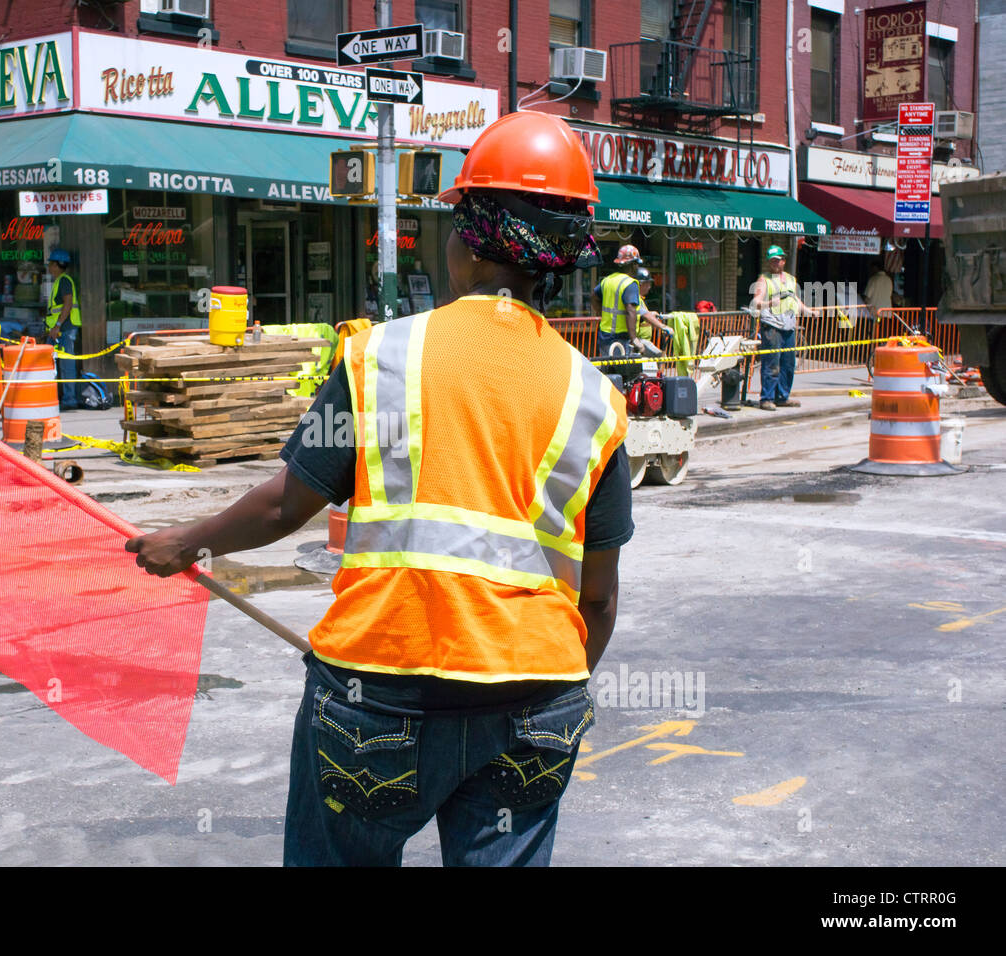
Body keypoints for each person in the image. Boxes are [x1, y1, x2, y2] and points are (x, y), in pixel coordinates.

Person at [127, 110, 633, 867]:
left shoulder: (382, 357)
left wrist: (184, 541)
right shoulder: (596, 399)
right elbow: (597, 599)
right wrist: (540, 692)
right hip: (534, 698)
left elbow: (284, 504)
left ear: (466, 243)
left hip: (380, 691)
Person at [750, 245, 816, 411]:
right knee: (772, 364)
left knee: (788, 364)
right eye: (772, 261)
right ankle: (767, 398)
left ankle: (782, 397)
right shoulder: (763, 279)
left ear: (783, 261)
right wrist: (770, 303)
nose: (775, 264)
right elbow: (756, 302)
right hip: (772, 327)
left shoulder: (791, 279)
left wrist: (808, 311)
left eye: (777, 260)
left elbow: (795, 301)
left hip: (788, 327)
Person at [591, 245, 671, 356]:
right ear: (633, 265)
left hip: (604, 337)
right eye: (637, 264)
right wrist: (634, 339)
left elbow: (594, 296)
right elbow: (631, 311)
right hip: (621, 339)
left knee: (608, 371)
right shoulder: (630, 283)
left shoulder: (607, 280)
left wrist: (601, 313)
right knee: (625, 372)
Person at [45, 249, 82, 410]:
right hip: (59, 330)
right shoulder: (60, 281)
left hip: (64, 329)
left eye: (51, 264)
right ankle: (59, 397)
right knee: (52, 364)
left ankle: (70, 399)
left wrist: (57, 326)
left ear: (57, 265)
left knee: (67, 365)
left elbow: (67, 304)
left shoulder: (64, 281)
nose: (49, 267)